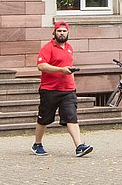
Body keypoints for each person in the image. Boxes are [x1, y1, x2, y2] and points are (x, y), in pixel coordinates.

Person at [32, 21, 92, 157]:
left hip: (68, 90)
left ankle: (79, 147)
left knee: (72, 117)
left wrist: (71, 75)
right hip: (49, 89)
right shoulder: (47, 48)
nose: (62, 33)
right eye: (59, 31)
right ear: (54, 32)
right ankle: (37, 144)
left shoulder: (69, 48)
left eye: (64, 31)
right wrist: (61, 70)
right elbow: (41, 66)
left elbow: (67, 66)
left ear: (68, 33)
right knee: (44, 119)